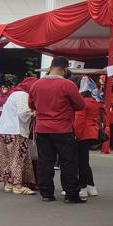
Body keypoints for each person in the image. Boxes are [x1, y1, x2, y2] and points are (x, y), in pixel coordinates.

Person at [28, 56, 86, 203]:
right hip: (63, 129)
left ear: (50, 67)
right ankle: (71, 194)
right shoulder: (68, 85)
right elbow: (80, 105)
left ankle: (46, 193)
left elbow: (32, 105)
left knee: (45, 161)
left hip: (42, 129)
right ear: (65, 69)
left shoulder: (36, 84)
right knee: (68, 161)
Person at [0, 76, 38, 195]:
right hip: (17, 131)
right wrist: (34, 113)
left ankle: (9, 183)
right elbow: (24, 114)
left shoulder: (14, 94)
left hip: (7, 130)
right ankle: (18, 185)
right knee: (17, 158)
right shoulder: (23, 95)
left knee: (7, 158)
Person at [73, 87, 103, 198]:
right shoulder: (94, 103)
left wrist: (76, 135)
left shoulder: (83, 103)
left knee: (80, 163)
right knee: (84, 162)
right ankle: (91, 187)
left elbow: (79, 120)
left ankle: (82, 187)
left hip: (82, 134)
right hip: (91, 133)